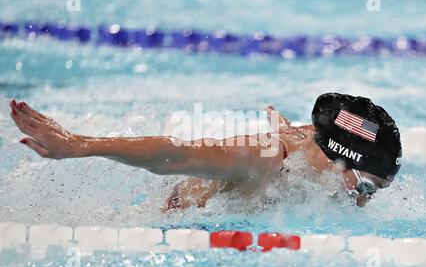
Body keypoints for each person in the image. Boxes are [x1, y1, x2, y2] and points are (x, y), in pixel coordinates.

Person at [8, 93, 402, 211]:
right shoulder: (266, 159)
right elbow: (179, 154)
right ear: (339, 161)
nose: (362, 201)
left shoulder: (316, 149)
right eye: (365, 188)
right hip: (175, 226)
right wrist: (79, 145)